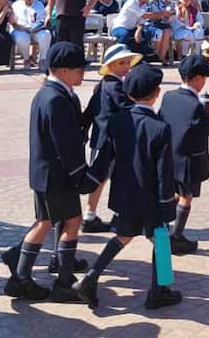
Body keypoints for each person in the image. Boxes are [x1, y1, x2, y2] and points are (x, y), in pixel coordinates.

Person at [74, 61, 180, 311]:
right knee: (162, 239)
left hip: (123, 194)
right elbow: (164, 173)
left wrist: (89, 180)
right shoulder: (160, 128)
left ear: (129, 93)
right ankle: (159, 290)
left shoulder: (117, 121)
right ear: (157, 93)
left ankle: (90, 277)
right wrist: (167, 205)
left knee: (122, 236)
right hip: (151, 198)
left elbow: (104, 158)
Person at [4, 42, 91, 303]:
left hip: (45, 173)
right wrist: (80, 174)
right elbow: (65, 142)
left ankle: (20, 277)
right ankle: (62, 283)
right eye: (78, 69)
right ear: (63, 70)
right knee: (72, 221)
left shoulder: (50, 93)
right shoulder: (55, 99)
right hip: (58, 175)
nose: (82, 73)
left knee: (45, 222)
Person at [160, 54, 209, 254]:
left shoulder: (169, 96)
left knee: (174, 194)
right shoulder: (196, 106)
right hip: (188, 162)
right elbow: (204, 130)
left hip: (170, 158)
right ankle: (176, 237)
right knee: (186, 196)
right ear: (198, 78)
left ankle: (165, 233)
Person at [81, 43, 142, 234]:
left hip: (102, 140)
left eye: (127, 62)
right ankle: (94, 216)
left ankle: (93, 215)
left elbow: (89, 111)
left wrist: (83, 128)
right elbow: (126, 108)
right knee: (101, 178)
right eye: (122, 63)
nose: (127, 66)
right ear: (111, 66)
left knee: (103, 178)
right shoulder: (114, 86)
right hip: (107, 142)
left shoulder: (104, 85)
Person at [10, 0, 51, 72]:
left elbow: (42, 19)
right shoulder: (16, 5)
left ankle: (42, 60)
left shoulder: (39, 4)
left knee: (46, 34)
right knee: (22, 37)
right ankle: (26, 59)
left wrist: (36, 27)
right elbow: (13, 22)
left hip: (36, 30)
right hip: (20, 29)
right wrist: (23, 28)